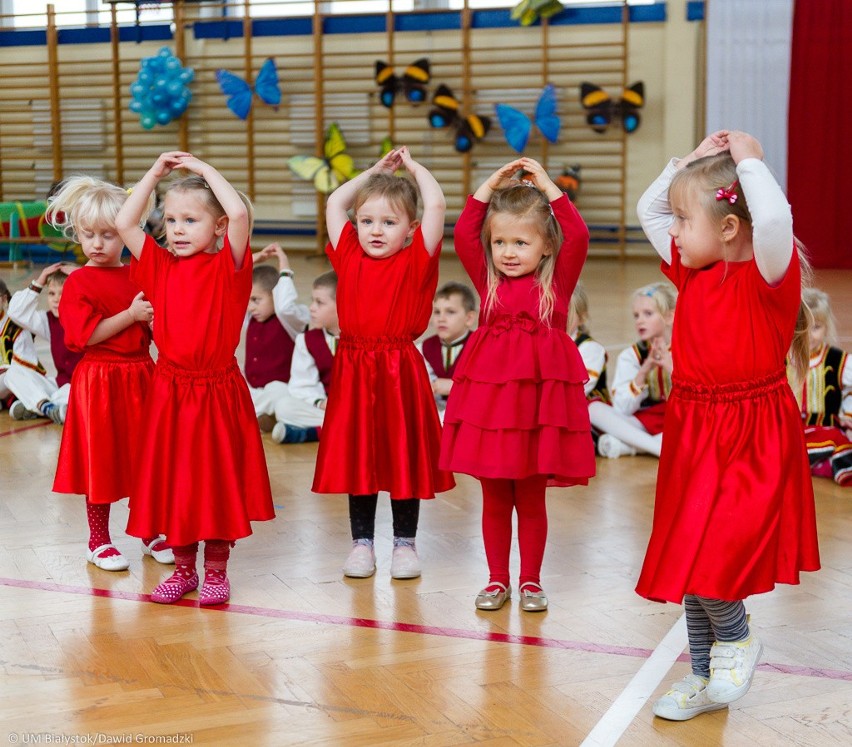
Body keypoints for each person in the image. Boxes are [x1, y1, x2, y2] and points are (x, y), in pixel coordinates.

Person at [635, 130, 820, 721]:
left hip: (751, 435)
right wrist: (686, 164)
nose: (674, 231)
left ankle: (737, 639)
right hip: (694, 429)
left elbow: (771, 222)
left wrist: (747, 162)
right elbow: (650, 207)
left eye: (686, 221)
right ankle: (703, 676)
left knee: (718, 554)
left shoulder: (769, 276)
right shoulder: (692, 272)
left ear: (729, 230)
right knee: (691, 557)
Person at [115, 151, 275, 605]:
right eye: (171, 220)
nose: (178, 229)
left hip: (217, 388)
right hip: (170, 389)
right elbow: (128, 223)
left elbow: (241, 211)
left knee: (216, 480)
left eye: (191, 219)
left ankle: (218, 571)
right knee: (176, 480)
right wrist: (154, 173)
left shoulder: (231, 266)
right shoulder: (161, 265)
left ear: (219, 228)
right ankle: (183, 569)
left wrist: (204, 169)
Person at [440, 157, 595, 612]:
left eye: (521, 242)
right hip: (492, 412)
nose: (508, 251)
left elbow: (579, 235)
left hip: (536, 414)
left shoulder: (558, 285)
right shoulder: (486, 282)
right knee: (493, 497)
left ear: (547, 247)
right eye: (501, 242)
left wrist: (548, 187)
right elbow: (465, 234)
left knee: (529, 499)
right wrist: (488, 187)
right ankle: (495, 580)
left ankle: (530, 581)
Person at [312, 146, 454, 581]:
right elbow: (335, 202)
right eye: (368, 221)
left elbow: (436, 203)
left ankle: (405, 544)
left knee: (401, 458)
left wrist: (412, 168)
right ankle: (362, 543)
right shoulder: (349, 253)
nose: (375, 230)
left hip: (399, 371)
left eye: (389, 222)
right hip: (354, 370)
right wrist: (373, 172)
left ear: (410, 229)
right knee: (361, 459)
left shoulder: (417, 260)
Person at [46, 176, 173, 572]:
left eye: (108, 234)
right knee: (100, 460)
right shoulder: (79, 281)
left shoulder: (139, 273)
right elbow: (85, 336)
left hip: (141, 376)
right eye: (89, 235)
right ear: (77, 235)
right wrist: (132, 315)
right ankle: (98, 540)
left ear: (125, 233)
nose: (98, 244)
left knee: (145, 458)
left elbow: (157, 329)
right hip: (98, 380)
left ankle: (149, 530)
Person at [595, 282, 676, 458]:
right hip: (651, 419)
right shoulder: (633, 355)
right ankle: (658, 447)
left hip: (683, 418)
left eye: (648, 314)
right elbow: (621, 409)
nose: (640, 320)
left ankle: (632, 446)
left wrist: (670, 367)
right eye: (636, 315)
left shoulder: (690, 347)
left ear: (669, 317)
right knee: (593, 410)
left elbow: (702, 398)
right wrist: (643, 372)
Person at [6, 263, 83, 424]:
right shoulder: (48, 321)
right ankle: (47, 407)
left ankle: (35, 405)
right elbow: (15, 312)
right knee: (13, 373)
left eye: (62, 293)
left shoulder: (89, 317)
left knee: (68, 396)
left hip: (83, 386)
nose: (55, 299)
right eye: (51, 293)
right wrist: (40, 281)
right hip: (61, 384)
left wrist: (84, 275)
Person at [245, 243, 309, 432]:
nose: (250, 307)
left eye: (256, 300)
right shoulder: (250, 318)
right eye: (248, 300)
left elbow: (285, 306)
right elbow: (231, 288)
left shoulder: (291, 321)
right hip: (255, 391)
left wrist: (284, 264)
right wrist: (254, 259)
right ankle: (265, 418)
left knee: (277, 394)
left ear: (276, 295)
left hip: (282, 390)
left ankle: (255, 417)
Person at [271, 270, 339, 445]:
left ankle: (315, 432)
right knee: (284, 406)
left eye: (319, 303)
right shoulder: (307, 340)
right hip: (328, 408)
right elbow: (301, 384)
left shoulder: (364, 340)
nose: (311, 308)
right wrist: (320, 402)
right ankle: (345, 428)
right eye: (312, 301)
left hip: (361, 407)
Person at [792, 287, 852, 486]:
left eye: (816, 327)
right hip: (792, 430)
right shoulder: (782, 357)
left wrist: (847, 414)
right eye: (802, 326)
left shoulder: (837, 360)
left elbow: (849, 392)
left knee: (837, 438)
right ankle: (819, 463)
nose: (809, 335)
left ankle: (812, 463)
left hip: (825, 428)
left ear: (827, 327)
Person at [417, 281, 477, 422]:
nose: (441, 319)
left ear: (469, 319)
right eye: (437, 312)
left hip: (469, 418)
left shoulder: (480, 347)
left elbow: (489, 390)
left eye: (450, 312)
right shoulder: (423, 349)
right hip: (435, 418)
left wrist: (454, 387)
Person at [567, 283, 611, 447]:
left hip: (589, 413)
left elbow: (581, 389)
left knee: (592, 409)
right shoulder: (543, 344)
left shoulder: (590, 348)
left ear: (582, 317)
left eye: (567, 311)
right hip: (559, 410)